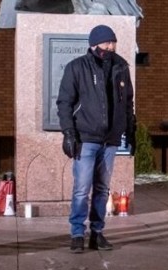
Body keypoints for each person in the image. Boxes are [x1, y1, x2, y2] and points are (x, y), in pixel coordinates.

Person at [56, 24, 134, 253]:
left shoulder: (121, 67)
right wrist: (69, 132)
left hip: (110, 140)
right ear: (94, 44)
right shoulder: (77, 67)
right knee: (82, 189)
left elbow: (127, 102)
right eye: (106, 42)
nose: (110, 46)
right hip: (86, 138)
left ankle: (97, 232)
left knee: (102, 189)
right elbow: (64, 103)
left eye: (113, 42)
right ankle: (77, 233)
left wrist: (130, 130)